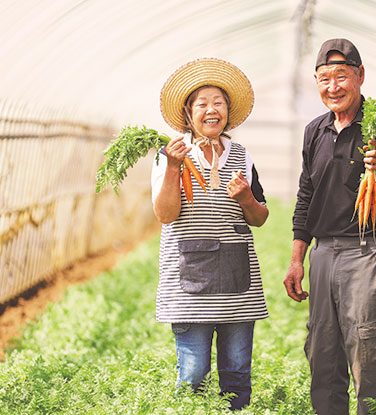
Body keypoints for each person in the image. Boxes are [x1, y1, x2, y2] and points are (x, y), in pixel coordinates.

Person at [283, 39, 376, 414]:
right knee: (322, 353)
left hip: (369, 252)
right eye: (325, 78)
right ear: (316, 80)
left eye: (341, 76)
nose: (333, 87)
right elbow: (306, 196)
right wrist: (298, 258)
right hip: (323, 254)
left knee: (367, 350)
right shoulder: (315, 131)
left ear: (360, 75)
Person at [152, 58, 269, 411]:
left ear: (228, 112)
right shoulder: (170, 155)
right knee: (193, 372)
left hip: (236, 282)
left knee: (236, 372)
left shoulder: (243, 157)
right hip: (188, 282)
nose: (211, 109)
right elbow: (166, 214)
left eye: (218, 102)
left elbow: (260, 217)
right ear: (189, 112)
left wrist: (246, 197)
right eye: (202, 103)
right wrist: (174, 167)